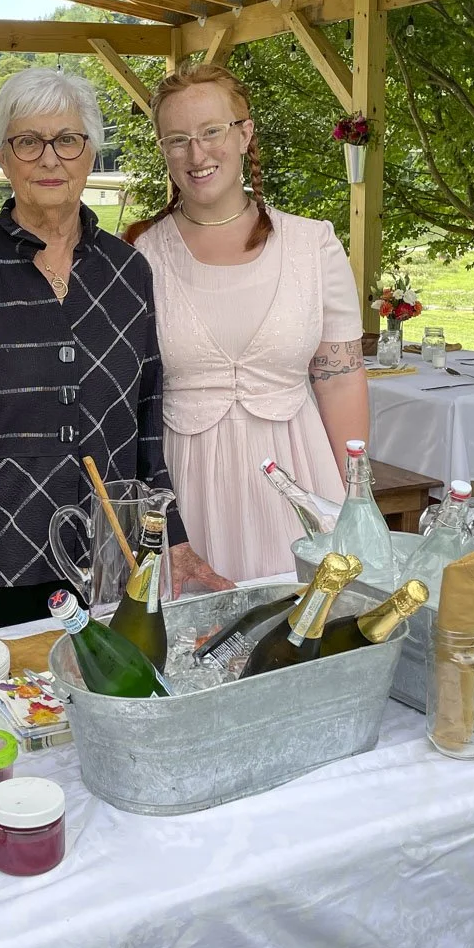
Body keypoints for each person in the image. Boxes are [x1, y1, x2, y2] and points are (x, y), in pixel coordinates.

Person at [0, 66, 230, 630]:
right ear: (3, 157)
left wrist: (173, 541)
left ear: (91, 152)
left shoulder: (128, 274)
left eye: (68, 140)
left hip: (112, 561)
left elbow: (147, 426)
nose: (50, 159)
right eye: (28, 142)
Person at [128, 63, 368, 581]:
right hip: (184, 491)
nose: (197, 154)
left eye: (212, 131)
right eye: (177, 139)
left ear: (244, 134)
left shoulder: (313, 245)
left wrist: (356, 497)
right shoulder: (138, 256)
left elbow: (341, 380)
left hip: (299, 480)